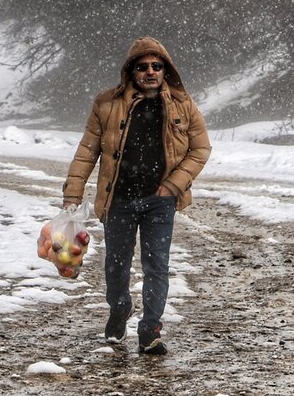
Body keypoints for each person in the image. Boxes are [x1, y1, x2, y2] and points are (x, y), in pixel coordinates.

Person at [61, 36, 211, 355]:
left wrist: (173, 185)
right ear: (131, 71)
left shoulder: (183, 104)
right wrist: (73, 193)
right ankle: (120, 307)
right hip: (119, 200)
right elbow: (87, 151)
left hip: (161, 201)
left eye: (156, 66)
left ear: (165, 69)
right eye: (142, 66)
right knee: (116, 267)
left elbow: (201, 149)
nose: (150, 72)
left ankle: (150, 330)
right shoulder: (106, 104)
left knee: (156, 265)